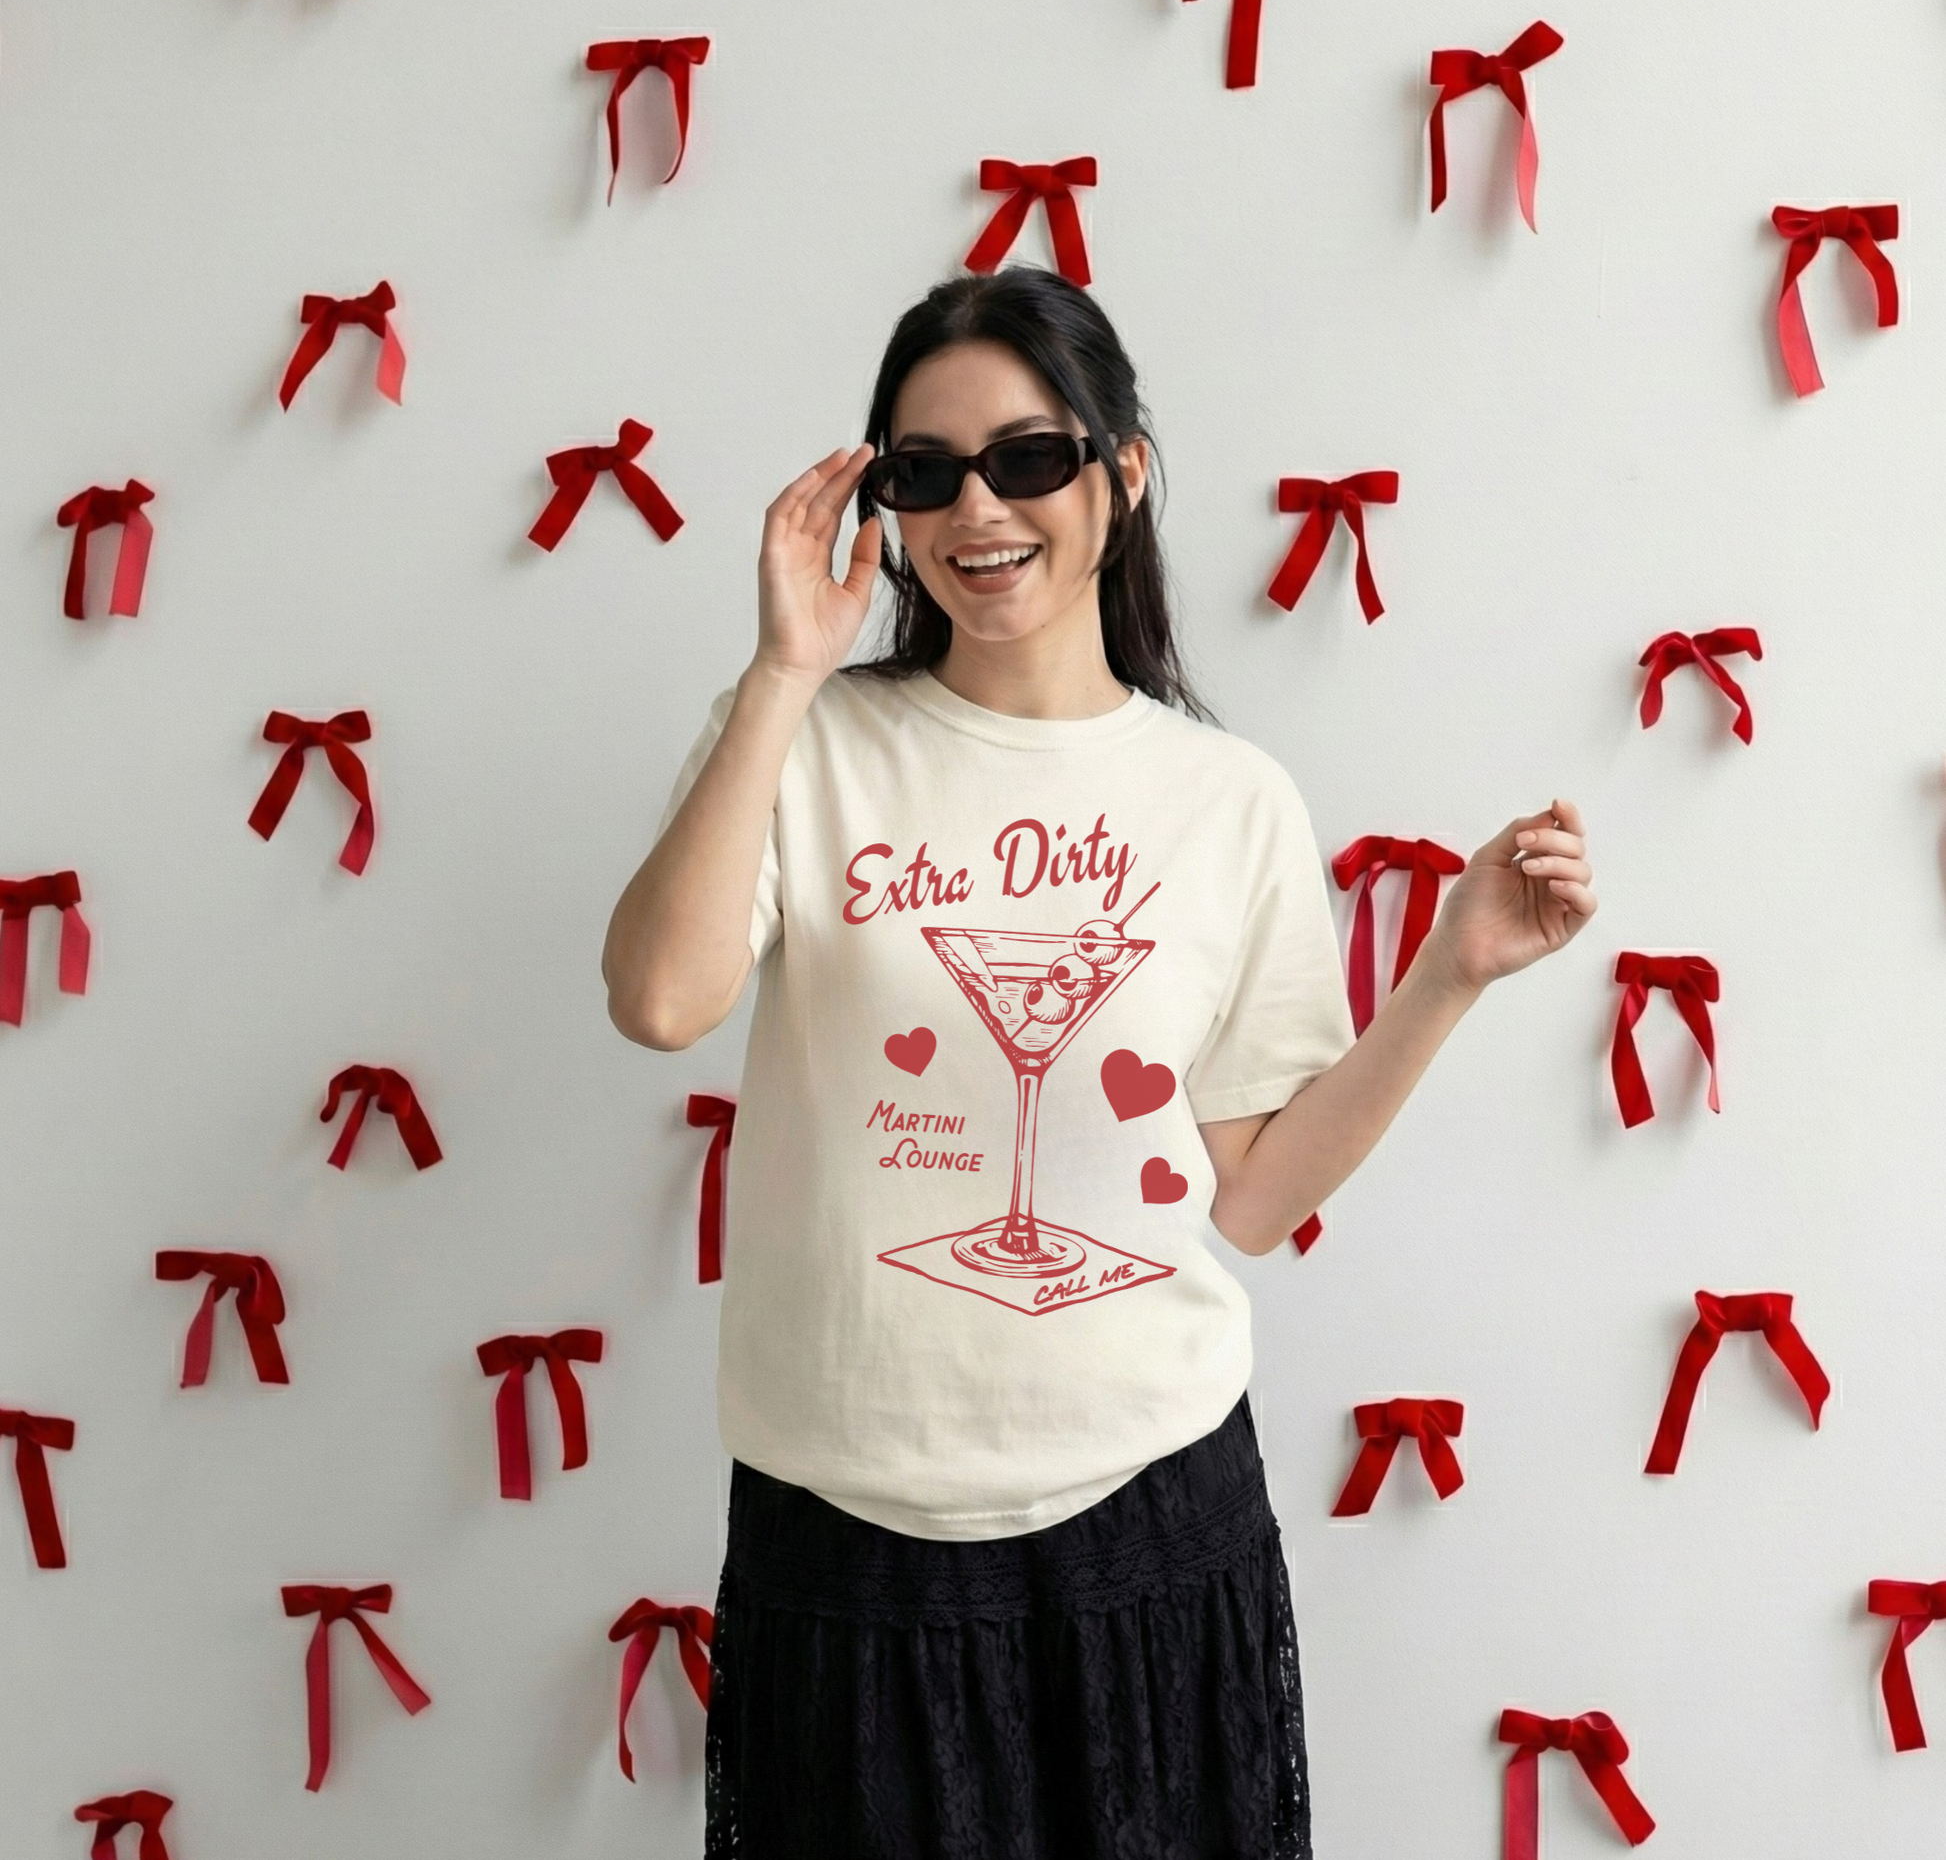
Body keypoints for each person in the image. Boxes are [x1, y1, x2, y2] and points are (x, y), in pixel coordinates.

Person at [602, 266, 1597, 1860]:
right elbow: (660, 998)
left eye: (1028, 457)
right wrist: (787, 666)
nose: (977, 509)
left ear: (1120, 472)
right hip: (845, 1521)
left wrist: (1449, 973)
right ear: (881, 501)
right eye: (921, 472)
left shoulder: (1227, 797)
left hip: (1147, 1510)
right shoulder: (807, 741)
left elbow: (1255, 1196)